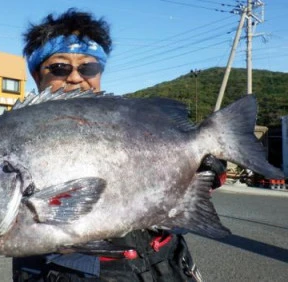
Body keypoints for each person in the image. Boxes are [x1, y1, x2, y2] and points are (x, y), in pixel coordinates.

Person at [13, 8, 226, 282]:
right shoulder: (15, 138)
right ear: (36, 76)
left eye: (88, 67)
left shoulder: (134, 120)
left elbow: (189, 194)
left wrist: (205, 173)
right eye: (59, 67)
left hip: (167, 262)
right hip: (74, 271)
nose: (76, 77)